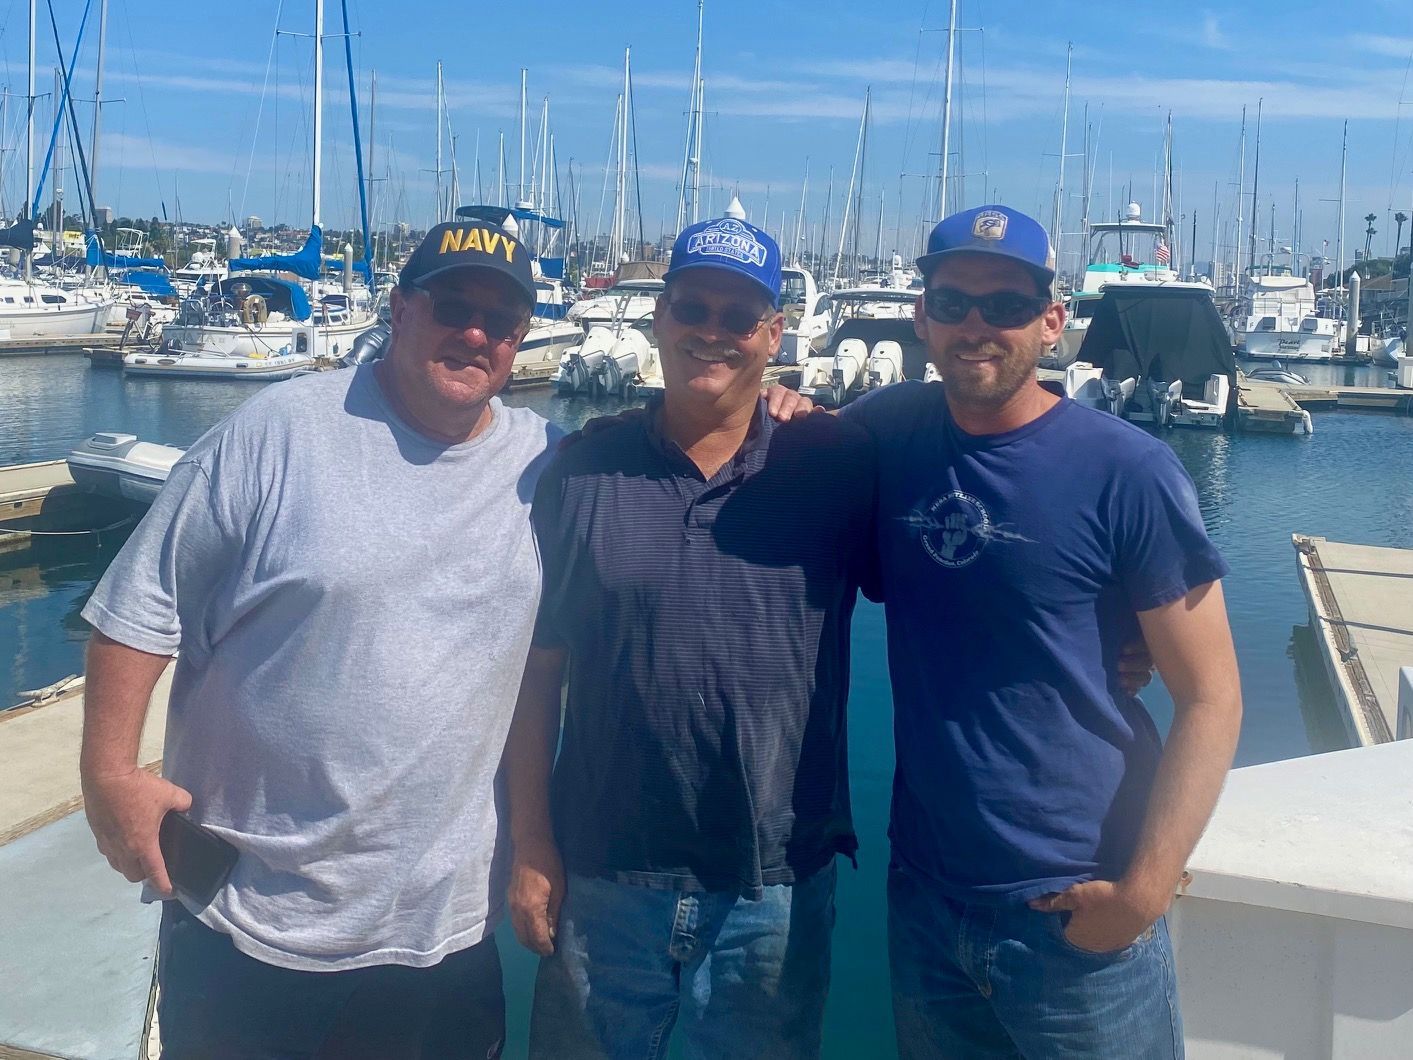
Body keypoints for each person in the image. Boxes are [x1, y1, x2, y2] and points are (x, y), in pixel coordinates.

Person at [79, 218, 559, 1058]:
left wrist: (785, 414)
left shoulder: (543, 465)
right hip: (247, 912)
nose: (476, 333)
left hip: (440, 929)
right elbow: (138, 607)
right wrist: (107, 776)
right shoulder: (277, 432)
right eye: (453, 305)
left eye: (503, 321)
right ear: (403, 311)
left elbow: (676, 454)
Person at [831, 205, 1242, 1058]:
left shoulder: (1127, 470)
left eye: (1006, 306)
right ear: (921, 319)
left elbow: (1212, 696)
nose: (976, 326)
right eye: (951, 302)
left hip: (1078, 911)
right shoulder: (885, 434)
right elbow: (764, 439)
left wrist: (1142, 893)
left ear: (1051, 324)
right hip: (927, 898)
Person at [505, 215, 877, 1059]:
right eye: (692, 308)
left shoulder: (835, 463)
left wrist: (1116, 626)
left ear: (773, 334)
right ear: (658, 319)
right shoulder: (582, 470)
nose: (712, 332)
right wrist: (531, 843)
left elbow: (954, 578)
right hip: (600, 874)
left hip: (771, 886)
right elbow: (538, 674)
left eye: (738, 317)